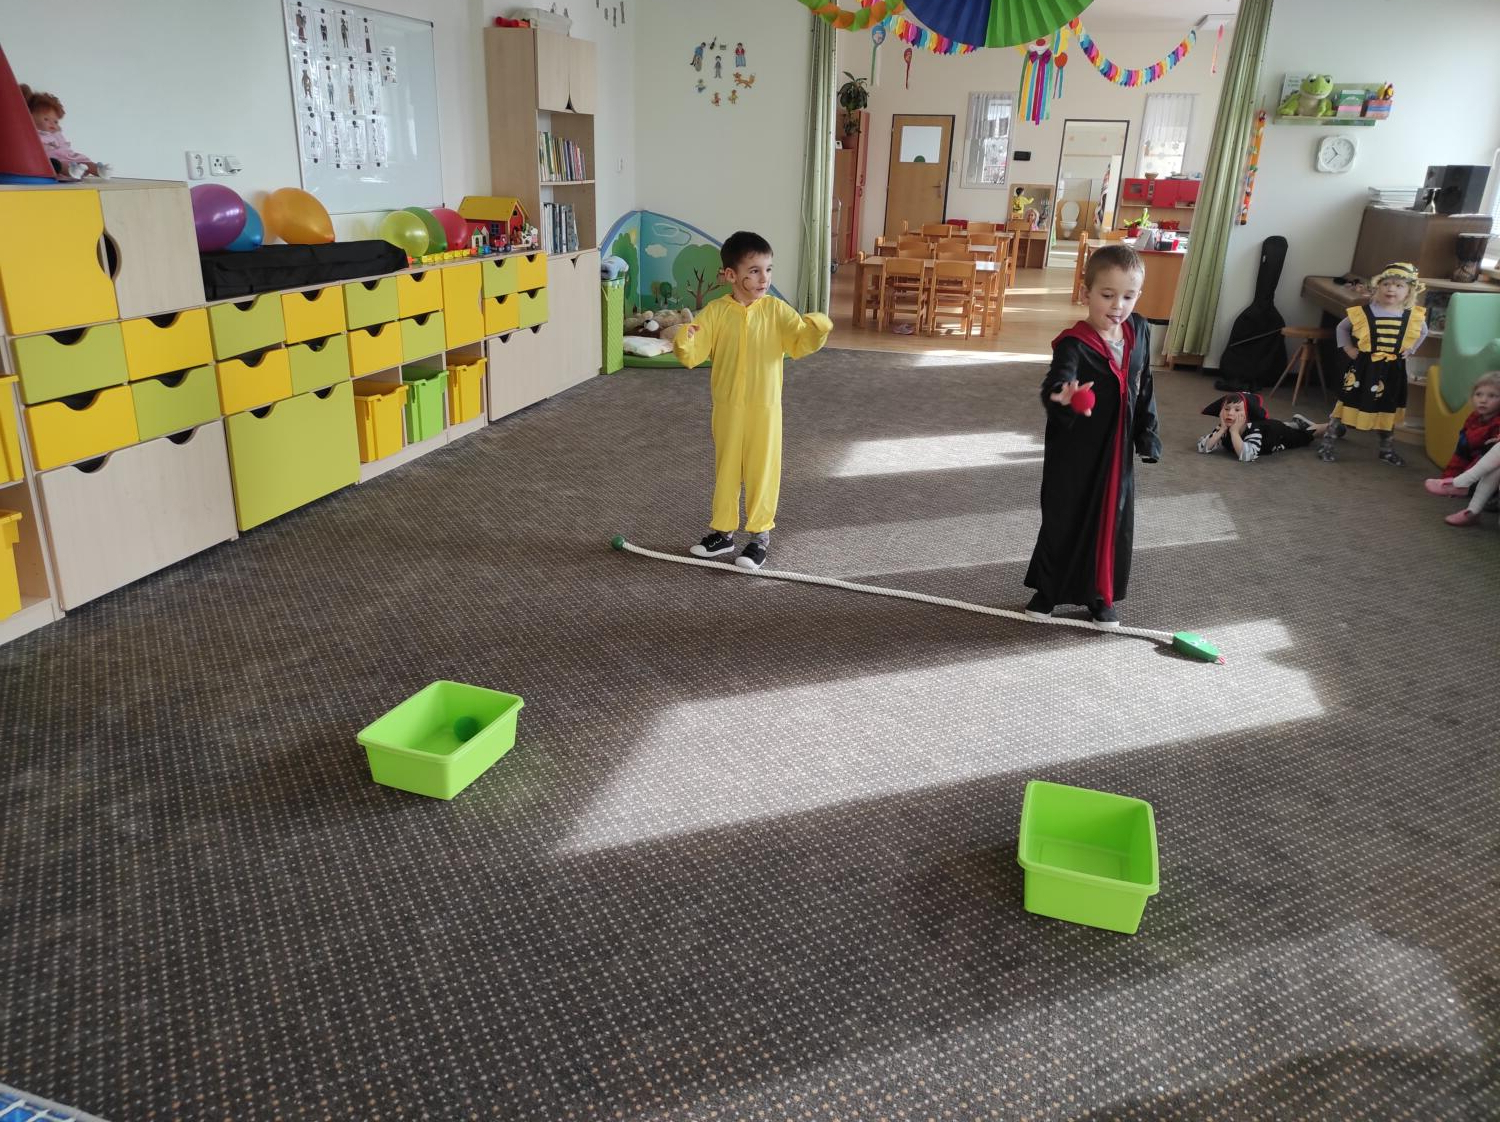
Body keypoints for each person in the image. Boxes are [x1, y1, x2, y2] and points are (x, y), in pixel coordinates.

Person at [673, 231, 833, 570]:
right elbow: (694, 352)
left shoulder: (776, 310)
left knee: (763, 469)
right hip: (728, 407)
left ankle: (760, 537)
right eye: (755, 271)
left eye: (768, 269)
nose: (764, 279)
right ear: (731, 275)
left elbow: (800, 342)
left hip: (765, 408)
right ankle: (723, 533)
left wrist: (817, 328)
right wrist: (685, 340)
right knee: (727, 469)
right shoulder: (716, 312)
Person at [1024, 244, 1160, 629]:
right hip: (1076, 449)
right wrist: (1063, 398)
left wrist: (1147, 433)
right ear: (1086, 293)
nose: (1118, 306)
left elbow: (1144, 384)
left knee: (1112, 520)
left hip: (1116, 450)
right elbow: (1057, 381)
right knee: (1064, 516)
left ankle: (1101, 595)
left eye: (1128, 296)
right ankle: (1048, 590)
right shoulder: (1074, 343)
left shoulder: (1139, 331)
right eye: (1108, 295)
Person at [1318, 261, 1428, 466]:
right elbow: (1342, 328)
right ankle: (1327, 444)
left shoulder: (1413, 316)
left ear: (1409, 291)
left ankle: (1386, 450)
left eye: (1399, 285)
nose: (1391, 289)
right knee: (1346, 403)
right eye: (1386, 284)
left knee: (1388, 407)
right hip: (1364, 367)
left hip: (1392, 370)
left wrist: (1410, 350)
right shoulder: (1365, 312)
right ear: (1378, 287)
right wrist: (1348, 349)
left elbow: (1423, 332)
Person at [1423, 372, 1500, 526]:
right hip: (1478, 473)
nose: (1483, 400)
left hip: (1483, 479)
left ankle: (1462, 488)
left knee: (1492, 455)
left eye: (1492, 396)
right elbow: (1461, 452)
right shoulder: (1473, 419)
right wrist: (1449, 475)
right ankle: (1469, 505)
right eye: (1479, 394)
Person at [1196, 391, 1326, 461]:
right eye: (1226, 409)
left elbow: (1246, 456)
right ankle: (1295, 424)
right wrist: (1222, 430)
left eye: (1237, 410)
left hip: (1277, 434)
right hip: (1270, 426)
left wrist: (1234, 433)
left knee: (1306, 436)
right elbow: (1202, 447)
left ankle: (1326, 426)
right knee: (1287, 427)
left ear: (1247, 415)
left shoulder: (1253, 430)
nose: (1230, 413)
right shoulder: (1224, 427)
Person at [22, 86, 104, 179]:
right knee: (58, 164)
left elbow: (64, 146)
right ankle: (71, 171)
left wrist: (70, 154)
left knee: (83, 161)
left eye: (56, 121)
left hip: (66, 156)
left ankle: (98, 170)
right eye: (46, 119)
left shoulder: (56, 134)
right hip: (52, 159)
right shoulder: (32, 133)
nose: (52, 124)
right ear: (30, 117)